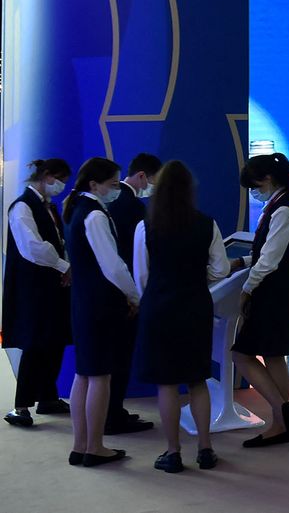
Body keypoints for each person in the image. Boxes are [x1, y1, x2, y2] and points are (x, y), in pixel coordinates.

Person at [132, 160, 230, 472]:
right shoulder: (207, 224)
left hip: (159, 309)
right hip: (195, 307)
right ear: (190, 190)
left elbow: (142, 276)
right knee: (198, 379)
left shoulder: (145, 226)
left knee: (167, 384)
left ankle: (173, 451)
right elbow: (220, 269)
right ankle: (205, 448)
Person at [63, 157, 140, 466]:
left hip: (83, 302)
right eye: (112, 184)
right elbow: (113, 266)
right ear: (94, 184)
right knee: (100, 377)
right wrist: (134, 295)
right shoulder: (94, 215)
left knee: (84, 375)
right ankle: (94, 447)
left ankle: (81, 444)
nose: (116, 190)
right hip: (101, 304)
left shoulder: (74, 208)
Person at [232, 152, 289, 448]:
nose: (253, 192)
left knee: (242, 354)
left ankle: (282, 412)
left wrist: (247, 288)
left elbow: (271, 259)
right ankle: (281, 420)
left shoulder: (284, 209)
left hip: (273, 292)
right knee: (274, 354)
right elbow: (270, 251)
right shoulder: (280, 206)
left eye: (254, 186)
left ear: (268, 179)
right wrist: (241, 263)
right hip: (279, 290)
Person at [3, 159, 73, 427]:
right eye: (59, 178)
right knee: (34, 344)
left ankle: (48, 395)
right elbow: (32, 247)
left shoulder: (48, 207)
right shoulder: (22, 207)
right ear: (46, 176)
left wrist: (64, 267)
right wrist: (63, 266)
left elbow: (57, 242)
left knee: (53, 341)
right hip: (32, 287)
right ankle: (21, 406)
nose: (62, 185)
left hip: (52, 285)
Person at [103, 152, 162, 435]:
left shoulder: (111, 205)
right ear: (142, 176)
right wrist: (136, 295)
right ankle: (113, 415)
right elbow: (137, 258)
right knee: (120, 357)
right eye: (153, 180)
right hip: (126, 293)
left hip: (110, 292)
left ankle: (112, 411)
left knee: (112, 358)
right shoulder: (133, 207)